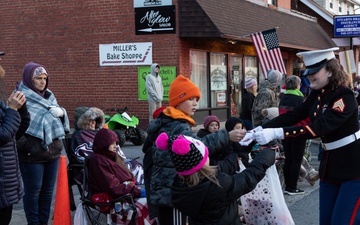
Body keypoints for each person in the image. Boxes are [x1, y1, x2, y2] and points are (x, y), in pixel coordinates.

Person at [250, 47, 360, 225]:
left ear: (330, 71)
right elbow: (294, 115)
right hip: (330, 166)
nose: (309, 76)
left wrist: (278, 133)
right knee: (325, 220)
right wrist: (261, 129)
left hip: (353, 168)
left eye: (315, 72)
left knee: (342, 221)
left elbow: (320, 127)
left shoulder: (344, 96)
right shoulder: (317, 94)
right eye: (308, 72)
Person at [143, 75, 246, 225]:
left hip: (168, 191)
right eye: (191, 99)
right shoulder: (177, 125)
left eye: (197, 99)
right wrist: (227, 135)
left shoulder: (171, 121)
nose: (195, 103)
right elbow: (198, 148)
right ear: (179, 101)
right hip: (171, 194)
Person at [154, 132, 275, 225]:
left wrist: (234, 159)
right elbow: (247, 179)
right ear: (202, 162)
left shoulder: (179, 185)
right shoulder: (219, 184)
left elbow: (214, 170)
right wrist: (265, 157)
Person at [16, 62, 70, 225]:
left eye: (45, 78)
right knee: (33, 193)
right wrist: (27, 145)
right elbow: (14, 128)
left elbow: (58, 121)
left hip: (52, 153)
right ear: (28, 79)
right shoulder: (19, 98)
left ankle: (43, 222)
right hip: (32, 155)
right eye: (38, 78)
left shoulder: (49, 97)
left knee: (47, 194)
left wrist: (62, 113)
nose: (42, 82)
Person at [0, 52, 30, 225]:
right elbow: (3, 135)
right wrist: (12, 109)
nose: (1, 61)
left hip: (7, 183)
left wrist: (21, 109)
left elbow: (14, 133)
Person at [279, 75, 317, 195]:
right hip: (299, 132)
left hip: (285, 132)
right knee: (296, 160)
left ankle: (287, 186)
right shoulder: (300, 99)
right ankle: (292, 187)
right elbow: (306, 117)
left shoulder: (283, 98)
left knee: (288, 159)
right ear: (297, 85)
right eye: (299, 84)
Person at [88, 128, 143, 199]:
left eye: (115, 143)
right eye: (111, 143)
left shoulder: (110, 156)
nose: (115, 146)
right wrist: (137, 192)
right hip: (116, 197)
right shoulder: (99, 160)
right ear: (103, 144)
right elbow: (113, 187)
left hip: (126, 191)